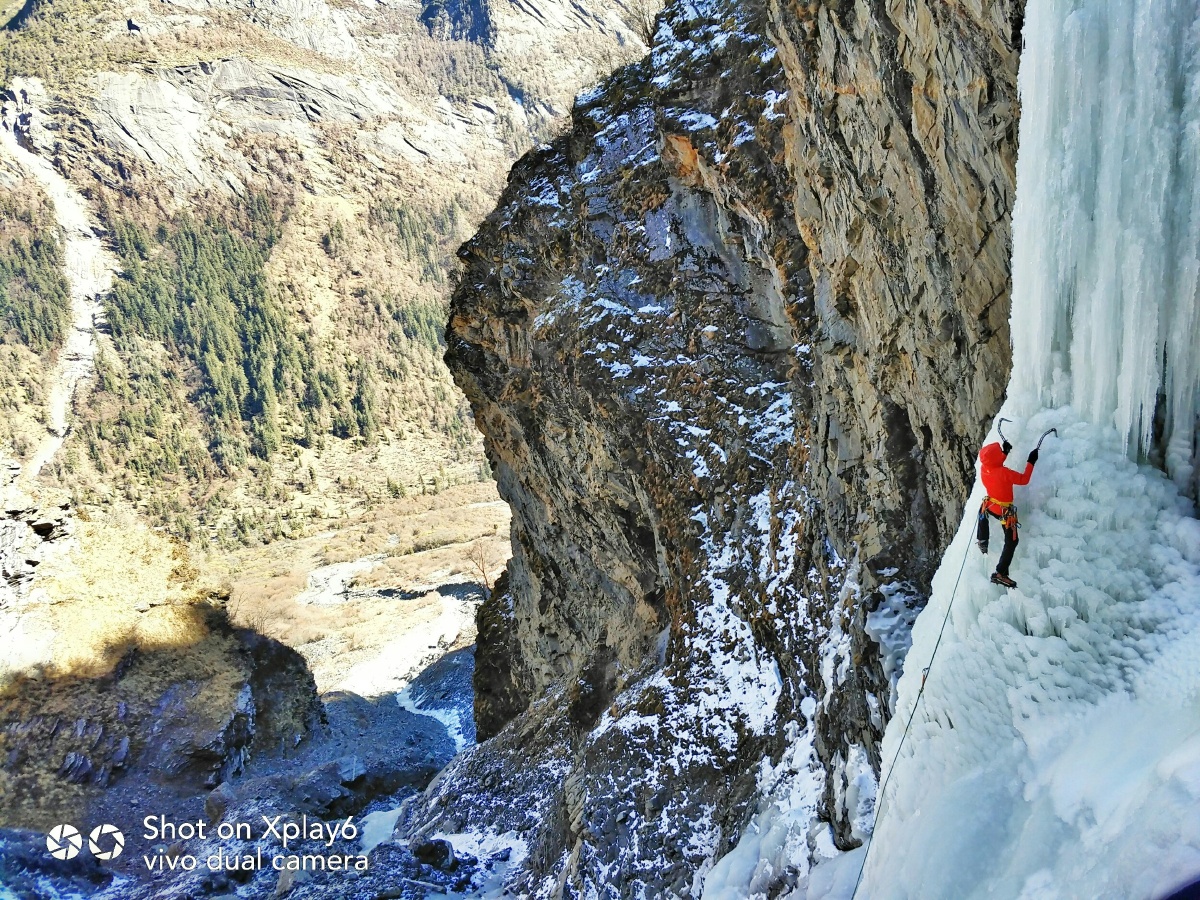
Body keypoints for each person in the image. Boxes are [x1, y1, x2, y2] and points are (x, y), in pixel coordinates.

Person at [976, 438, 1038, 588]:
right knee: (1012, 541)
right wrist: (1031, 461)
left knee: (982, 512)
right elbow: (1024, 479)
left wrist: (1004, 452)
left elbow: (994, 462)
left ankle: (982, 540)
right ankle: (1000, 574)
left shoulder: (984, 468)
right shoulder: (1004, 473)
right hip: (1004, 511)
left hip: (990, 505)